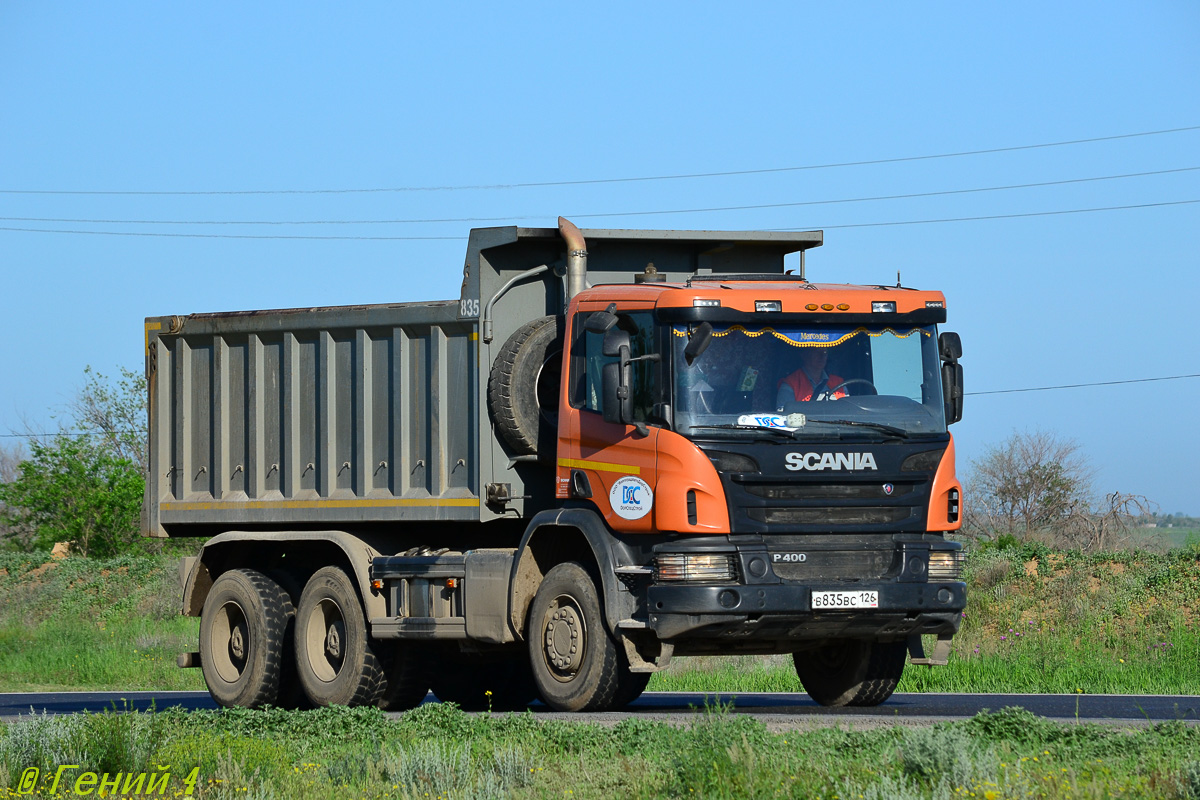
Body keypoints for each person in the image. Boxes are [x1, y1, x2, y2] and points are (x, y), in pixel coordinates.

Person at [777, 345, 847, 406]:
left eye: (825, 352)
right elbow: (784, 416)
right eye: (816, 352)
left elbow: (849, 409)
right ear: (804, 355)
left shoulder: (839, 383)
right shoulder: (790, 385)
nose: (822, 356)